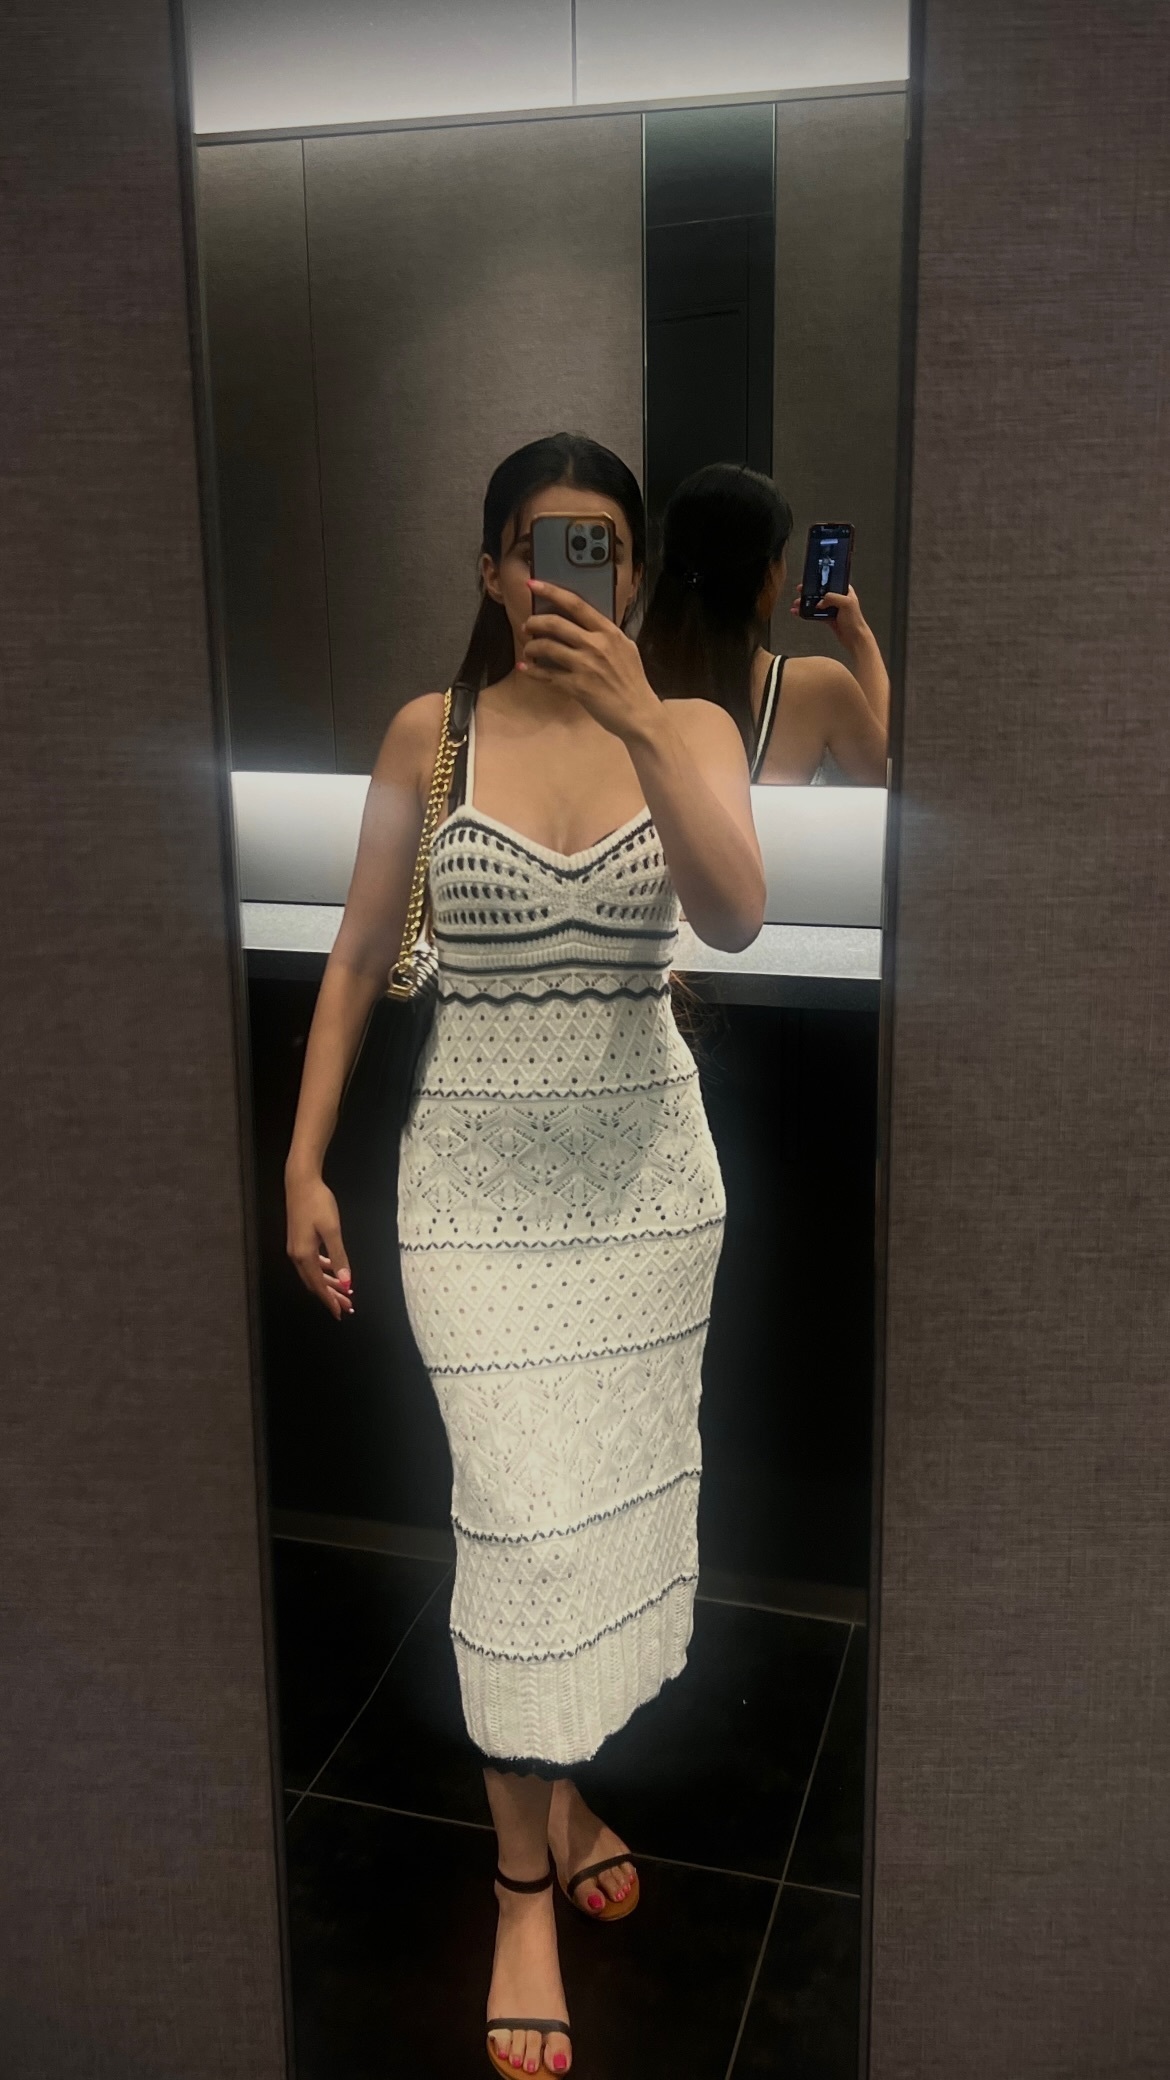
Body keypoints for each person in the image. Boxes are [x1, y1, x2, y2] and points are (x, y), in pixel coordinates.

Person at [283, 433, 765, 2077]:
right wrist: (302, 1160)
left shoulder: (693, 726)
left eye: (602, 550)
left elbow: (737, 914)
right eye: (542, 548)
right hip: (475, 1199)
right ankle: (517, 1891)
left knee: (596, 1529)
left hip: (647, 1195)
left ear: (632, 574)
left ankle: (557, 1798)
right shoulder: (428, 735)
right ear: (491, 568)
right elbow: (358, 954)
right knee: (514, 1528)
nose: (574, 577)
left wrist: (642, 719)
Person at [638, 462, 889, 784]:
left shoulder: (621, 677)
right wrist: (861, 640)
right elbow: (887, 779)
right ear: (768, 574)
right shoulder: (820, 688)